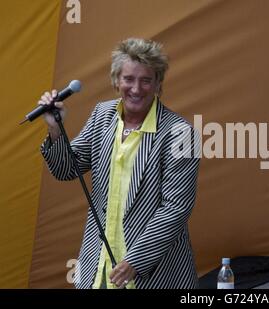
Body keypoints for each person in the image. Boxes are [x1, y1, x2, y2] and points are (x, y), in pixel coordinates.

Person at [39, 38, 200, 289]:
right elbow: (66, 168)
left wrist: (135, 261)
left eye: (146, 80)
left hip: (155, 274)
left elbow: (175, 209)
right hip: (99, 265)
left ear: (158, 84)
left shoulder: (181, 133)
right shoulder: (102, 115)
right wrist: (55, 130)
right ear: (116, 81)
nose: (136, 88)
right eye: (128, 79)